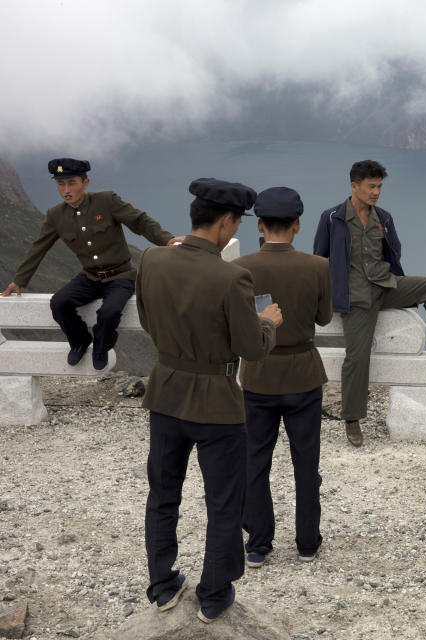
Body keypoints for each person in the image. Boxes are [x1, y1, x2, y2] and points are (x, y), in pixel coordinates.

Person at [136, 178, 282, 623]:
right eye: (236, 222)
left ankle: (162, 586)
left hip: (164, 392)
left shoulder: (152, 259)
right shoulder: (232, 277)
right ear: (226, 222)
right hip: (216, 403)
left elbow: (145, 317)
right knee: (223, 500)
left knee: (163, 494)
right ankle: (214, 595)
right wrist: (268, 322)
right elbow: (251, 348)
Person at [313, 160, 426, 448]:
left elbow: (393, 251)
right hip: (355, 297)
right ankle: (352, 419)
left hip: (385, 285)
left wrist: (394, 278)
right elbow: (320, 259)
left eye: (380, 186)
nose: (377, 192)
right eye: (371, 186)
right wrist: (324, 298)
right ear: (354, 186)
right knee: (357, 358)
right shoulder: (332, 218)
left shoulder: (384, 216)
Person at [1, 158, 183, 369]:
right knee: (59, 303)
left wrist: (167, 239)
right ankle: (79, 341)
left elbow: (139, 221)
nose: (66, 190)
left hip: (120, 276)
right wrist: (19, 280)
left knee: (109, 313)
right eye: (61, 184)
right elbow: (38, 249)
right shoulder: (55, 215)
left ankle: (101, 346)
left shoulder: (107, 201)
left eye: (72, 183)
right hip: (89, 277)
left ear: (85, 183)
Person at [233, 187, 333, 568]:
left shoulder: (240, 268)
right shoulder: (318, 266)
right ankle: (307, 542)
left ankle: (258, 544)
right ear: (297, 226)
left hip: (259, 377)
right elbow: (323, 319)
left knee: (256, 462)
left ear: (259, 225)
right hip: (304, 375)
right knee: (306, 463)